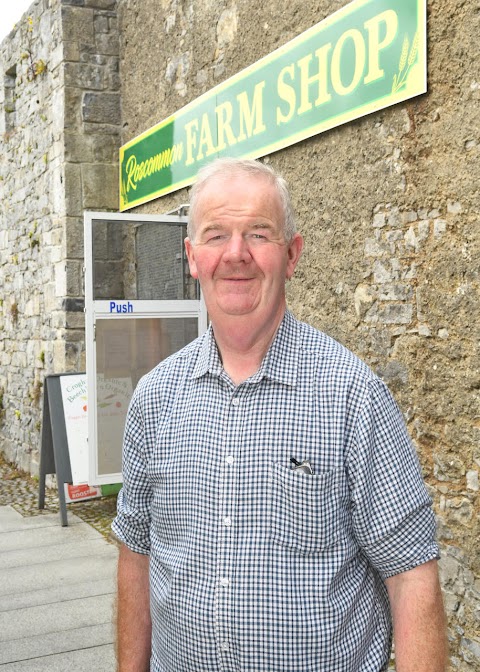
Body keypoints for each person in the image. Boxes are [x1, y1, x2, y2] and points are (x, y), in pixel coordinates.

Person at [112, 157, 447, 672]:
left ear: (291, 255)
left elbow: (411, 577)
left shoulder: (353, 396)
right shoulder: (154, 398)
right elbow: (137, 558)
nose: (236, 254)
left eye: (259, 235)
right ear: (192, 257)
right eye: (216, 235)